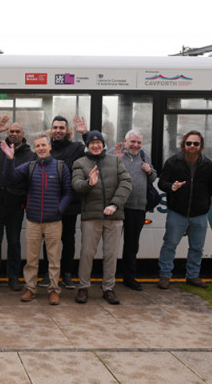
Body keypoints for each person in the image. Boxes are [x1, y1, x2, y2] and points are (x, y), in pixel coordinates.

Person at [3, 134, 73, 304]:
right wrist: (10, 160)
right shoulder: (30, 166)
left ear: (49, 147)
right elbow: (10, 179)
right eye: (37, 146)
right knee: (31, 259)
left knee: (54, 259)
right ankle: (30, 289)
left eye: (43, 145)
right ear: (35, 149)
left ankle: (54, 290)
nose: (40, 148)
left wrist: (59, 210)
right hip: (33, 220)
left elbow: (68, 193)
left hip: (54, 222)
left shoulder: (60, 167)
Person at [72, 130, 132, 305]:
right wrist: (89, 183)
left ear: (103, 145)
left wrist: (114, 204)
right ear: (88, 146)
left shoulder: (115, 161)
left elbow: (126, 182)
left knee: (111, 254)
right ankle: (83, 287)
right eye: (92, 143)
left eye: (99, 143)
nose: (96, 146)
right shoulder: (80, 163)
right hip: (91, 217)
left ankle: (108, 288)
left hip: (114, 215)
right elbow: (76, 185)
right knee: (87, 254)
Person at [0, 115, 35, 291]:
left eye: (17, 131)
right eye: (11, 131)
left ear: (23, 134)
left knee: (14, 243)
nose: (14, 134)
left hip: (15, 207)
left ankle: (14, 277)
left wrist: (24, 202)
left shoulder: (30, 155)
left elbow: (31, 182)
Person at [157, 130, 212, 290]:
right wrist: (172, 187)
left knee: (197, 247)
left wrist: (202, 201)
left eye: (196, 143)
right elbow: (161, 183)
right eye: (189, 143)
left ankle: (193, 276)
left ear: (201, 146)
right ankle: (165, 276)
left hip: (200, 214)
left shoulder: (209, 166)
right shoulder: (172, 162)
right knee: (170, 245)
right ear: (183, 144)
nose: (192, 146)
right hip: (177, 212)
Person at [109, 130, 157, 291]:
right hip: (117, 207)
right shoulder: (113, 153)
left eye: (138, 143)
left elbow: (153, 177)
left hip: (137, 207)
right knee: (111, 245)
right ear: (125, 141)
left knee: (131, 245)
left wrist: (149, 171)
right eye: (133, 142)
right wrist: (114, 160)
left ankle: (129, 278)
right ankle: (109, 278)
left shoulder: (144, 155)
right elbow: (105, 174)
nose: (136, 145)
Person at [44, 115, 88, 288]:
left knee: (68, 240)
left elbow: (94, 151)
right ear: (51, 129)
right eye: (55, 127)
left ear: (67, 130)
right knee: (49, 240)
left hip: (70, 204)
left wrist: (85, 133)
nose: (58, 131)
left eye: (62, 128)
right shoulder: (45, 148)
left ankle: (67, 274)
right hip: (48, 203)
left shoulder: (77, 147)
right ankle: (48, 274)